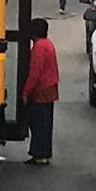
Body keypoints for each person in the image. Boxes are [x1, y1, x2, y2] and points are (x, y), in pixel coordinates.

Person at [22, 18, 60, 166]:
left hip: (40, 90)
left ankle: (39, 153)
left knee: (38, 123)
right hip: (50, 88)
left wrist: (26, 91)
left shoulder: (39, 48)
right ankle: (42, 153)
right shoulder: (48, 44)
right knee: (45, 123)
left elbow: (35, 72)